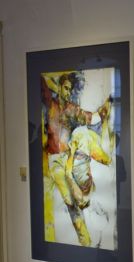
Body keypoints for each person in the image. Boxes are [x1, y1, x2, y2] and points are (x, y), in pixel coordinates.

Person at [41, 71, 112, 246]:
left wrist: (104, 108)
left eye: (70, 89)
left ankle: (85, 241)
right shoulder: (51, 104)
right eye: (65, 88)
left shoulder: (72, 108)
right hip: (54, 160)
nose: (68, 92)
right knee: (69, 202)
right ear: (59, 87)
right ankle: (85, 241)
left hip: (66, 159)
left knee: (75, 201)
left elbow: (91, 118)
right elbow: (43, 83)